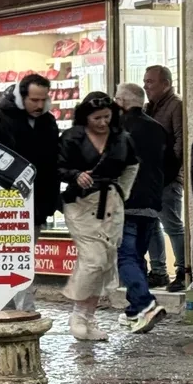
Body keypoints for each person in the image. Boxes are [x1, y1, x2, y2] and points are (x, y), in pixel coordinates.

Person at [58, 92, 138, 342]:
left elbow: (132, 166)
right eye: (96, 118)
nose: (102, 122)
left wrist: (123, 191)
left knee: (105, 261)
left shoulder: (122, 138)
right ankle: (78, 314)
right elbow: (56, 167)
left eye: (106, 117)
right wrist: (74, 174)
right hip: (81, 203)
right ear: (85, 117)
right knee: (93, 259)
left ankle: (88, 316)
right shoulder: (71, 137)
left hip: (111, 203)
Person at [0, 73, 61, 311]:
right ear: (21, 96)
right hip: (6, 204)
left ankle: (21, 310)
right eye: (34, 99)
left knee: (24, 259)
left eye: (43, 99)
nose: (39, 105)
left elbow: (51, 164)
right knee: (10, 258)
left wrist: (50, 200)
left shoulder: (48, 122)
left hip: (36, 205)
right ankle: (10, 311)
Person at [115, 83, 167, 333]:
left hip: (126, 203)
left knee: (125, 257)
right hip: (151, 203)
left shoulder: (118, 129)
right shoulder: (157, 128)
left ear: (122, 102)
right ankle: (134, 311)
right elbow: (171, 162)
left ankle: (146, 304)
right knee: (136, 257)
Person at [143, 65, 186, 291]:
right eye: (145, 81)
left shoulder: (175, 105)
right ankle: (158, 270)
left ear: (166, 84)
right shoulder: (150, 107)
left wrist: (170, 172)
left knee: (172, 225)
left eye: (150, 82)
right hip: (152, 178)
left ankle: (182, 269)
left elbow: (180, 140)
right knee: (151, 224)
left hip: (167, 177)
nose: (146, 86)